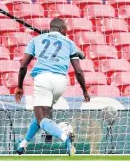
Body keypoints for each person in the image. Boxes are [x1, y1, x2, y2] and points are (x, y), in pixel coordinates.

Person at [14, 18, 90, 156]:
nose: (67, 32)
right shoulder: (70, 43)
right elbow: (78, 71)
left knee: (41, 117)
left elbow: (23, 65)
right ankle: (23, 144)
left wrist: (19, 86)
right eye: (66, 29)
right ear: (61, 29)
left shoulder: (36, 40)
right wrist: (85, 91)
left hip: (43, 79)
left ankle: (64, 137)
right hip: (61, 81)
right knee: (41, 117)